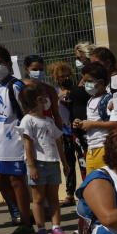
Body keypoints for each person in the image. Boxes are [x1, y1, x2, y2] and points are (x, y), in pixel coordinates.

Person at [0, 44, 34, 234]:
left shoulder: (16, 85)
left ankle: (25, 222)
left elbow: (27, 113)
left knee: (16, 181)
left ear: (7, 63)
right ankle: (25, 212)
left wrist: (27, 140)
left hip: (15, 140)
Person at [19, 84, 71, 234]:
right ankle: (41, 229)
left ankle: (56, 228)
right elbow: (27, 145)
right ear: (36, 100)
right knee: (38, 199)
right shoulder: (28, 120)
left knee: (54, 198)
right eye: (43, 97)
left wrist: (65, 162)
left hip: (53, 163)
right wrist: (31, 165)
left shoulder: (49, 120)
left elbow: (58, 142)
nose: (47, 100)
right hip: (38, 164)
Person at [50, 60, 85, 204]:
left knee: (82, 160)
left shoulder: (76, 88)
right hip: (63, 132)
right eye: (61, 76)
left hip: (77, 130)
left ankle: (86, 189)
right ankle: (70, 193)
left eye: (67, 75)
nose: (65, 78)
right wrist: (60, 97)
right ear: (55, 78)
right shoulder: (54, 92)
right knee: (68, 163)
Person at [73, 62, 117, 175]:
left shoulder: (109, 100)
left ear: (101, 82)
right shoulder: (90, 100)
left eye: (89, 81)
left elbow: (116, 124)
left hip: (104, 149)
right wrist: (80, 123)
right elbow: (91, 122)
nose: (85, 84)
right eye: (84, 81)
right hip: (91, 150)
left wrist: (92, 124)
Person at [22, 54, 64, 130]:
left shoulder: (50, 90)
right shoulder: (21, 87)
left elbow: (56, 114)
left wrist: (60, 134)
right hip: (29, 131)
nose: (38, 72)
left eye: (41, 69)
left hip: (48, 130)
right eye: (34, 69)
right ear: (26, 69)